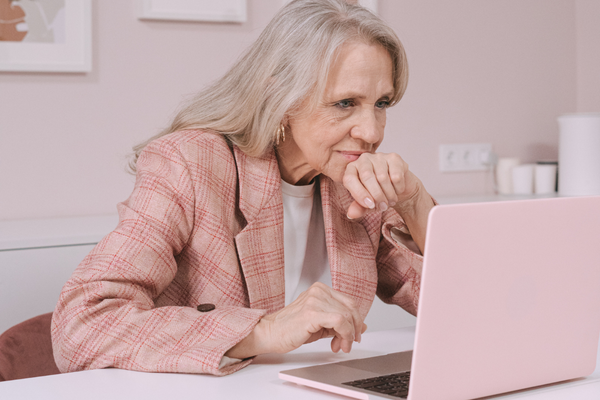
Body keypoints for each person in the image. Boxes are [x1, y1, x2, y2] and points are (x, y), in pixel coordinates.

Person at [51, 0, 435, 376]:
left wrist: (414, 201)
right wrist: (264, 330)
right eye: (344, 103)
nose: (371, 132)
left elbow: (464, 304)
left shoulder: (352, 180)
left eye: (381, 103)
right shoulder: (190, 162)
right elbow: (82, 325)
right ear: (279, 98)